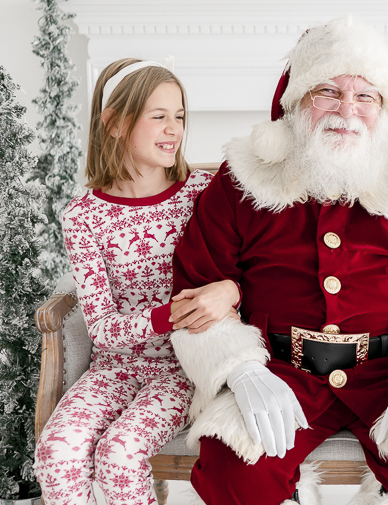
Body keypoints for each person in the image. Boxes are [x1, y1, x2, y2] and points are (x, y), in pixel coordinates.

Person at [167, 17, 388, 505]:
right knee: (232, 475)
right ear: (297, 100)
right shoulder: (241, 180)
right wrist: (240, 371)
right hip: (278, 371)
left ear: (382, 108)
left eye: (365, 97)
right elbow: (197, 288)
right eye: (328, 91)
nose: (347, 111)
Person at [34, 58, 240, 505]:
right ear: (114, 124)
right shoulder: (83, 216)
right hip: (112, 368)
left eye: (180, 117)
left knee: (120, 454)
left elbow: (241, 272)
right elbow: (103, 328)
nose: (174, 130)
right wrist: (171, 313)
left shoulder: (202, 194)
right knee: (55, 452)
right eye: (159, 116)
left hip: (183, 368)